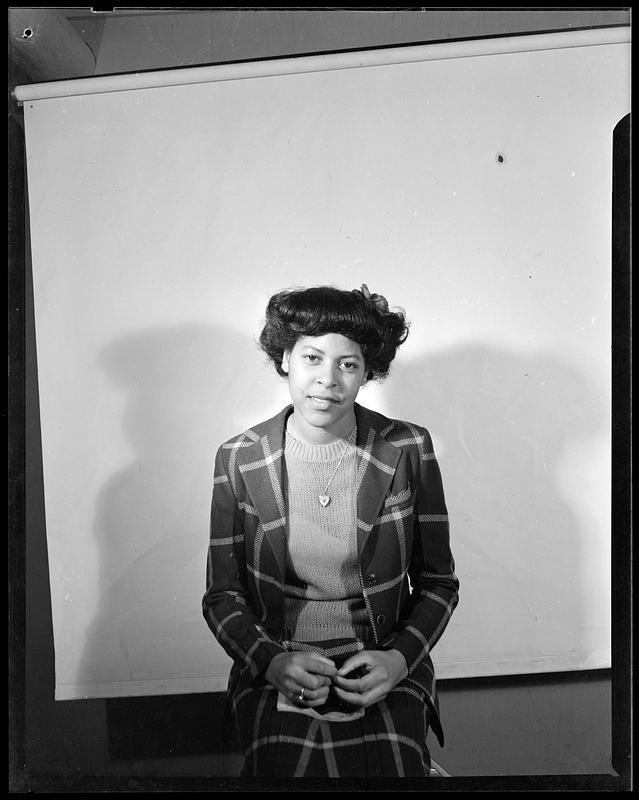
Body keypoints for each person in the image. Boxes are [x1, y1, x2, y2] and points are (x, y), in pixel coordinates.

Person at [202, 284, 459, 778]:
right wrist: (273, 663)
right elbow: (222, 596)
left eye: (348, 364)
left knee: (391, 767)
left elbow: (438, 584)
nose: (327, 380)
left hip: (381, 662)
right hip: (279, 665)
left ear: (367, 373)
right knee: (284, 769)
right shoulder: (239, 458)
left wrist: (399, 662)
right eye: (313, 358)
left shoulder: (407, 447)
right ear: (285, 358)